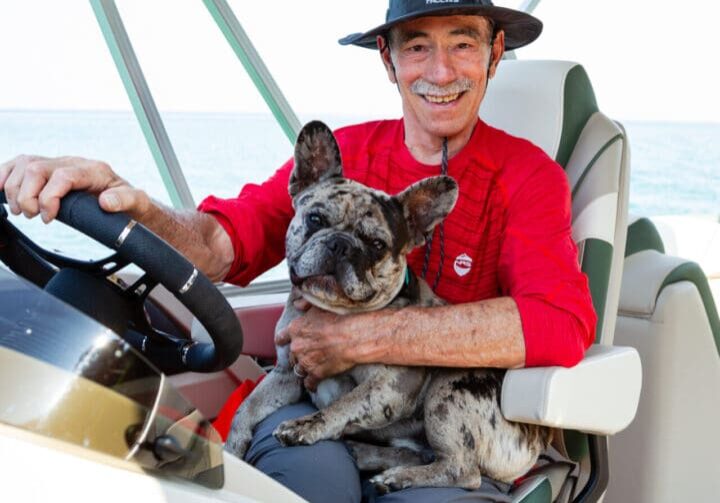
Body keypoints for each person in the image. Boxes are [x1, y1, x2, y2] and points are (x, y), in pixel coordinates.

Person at [0, 1, 596, 501]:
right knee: (303, 478)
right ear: (388, 59)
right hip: (315, 397)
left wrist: (361, 337)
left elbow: (560, 323)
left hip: (436, 426)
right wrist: (130, 205)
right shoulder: (343, 157)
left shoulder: (527, 177)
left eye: (463, 44)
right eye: (417, 47)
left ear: (494, 53)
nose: (440, 71)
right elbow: (216, 243)